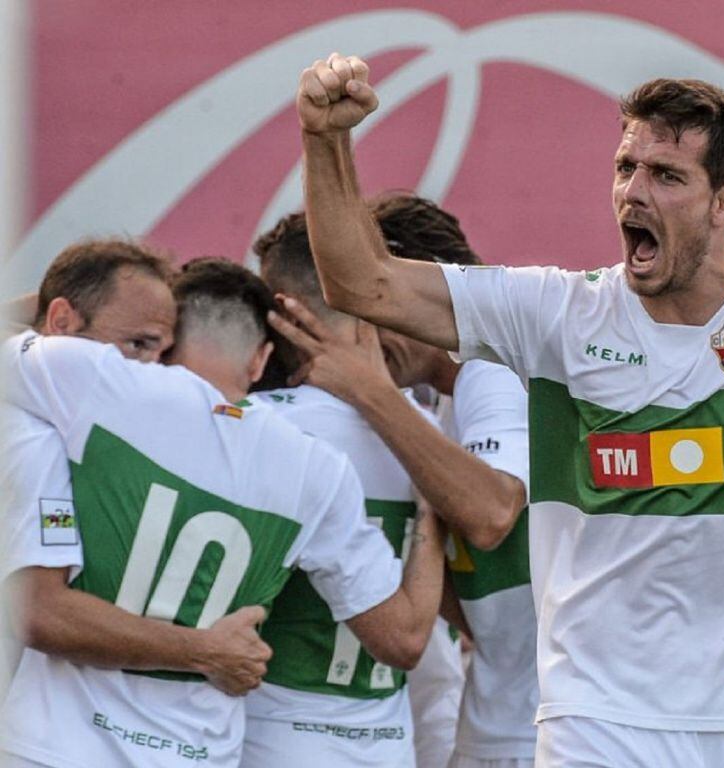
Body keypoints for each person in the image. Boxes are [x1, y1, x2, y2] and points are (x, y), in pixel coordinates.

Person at [295, 53, 724, 767]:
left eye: (667, 175)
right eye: (627, 168)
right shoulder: (558, 314)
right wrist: (323, 138)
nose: (634, 192)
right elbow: (361, 284)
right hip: (596, 720)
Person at [0, 257, 445, 768]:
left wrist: (69, 296)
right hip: (201, 754)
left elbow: (38, 611)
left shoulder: (96, 386)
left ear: (168, 343)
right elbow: (404, 638)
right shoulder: (317, 468)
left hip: (58, 747)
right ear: (259, 361)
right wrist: (432, 511)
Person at [264, 202, 535, 768]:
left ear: (420, 285)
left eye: (370, 299)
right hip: (506, 716)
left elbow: (491, 512)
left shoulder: (494, 367)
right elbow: (483, 602)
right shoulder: (432, 406)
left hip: (542, 731)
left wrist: (370, 391)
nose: (358, 329)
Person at [1, 241, 271, 705]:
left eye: (163, 353)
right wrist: (206, 651)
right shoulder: (35, 440)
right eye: (137, 345)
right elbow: (39, 610)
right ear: (62, 322)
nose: (155, 371)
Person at [242, 213, 450, 768]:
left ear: (281, 312)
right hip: (389, 744)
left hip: (272, 739)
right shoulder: (431, 438)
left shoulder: (253, 428)